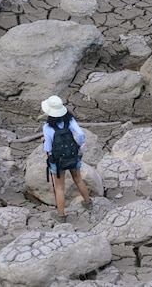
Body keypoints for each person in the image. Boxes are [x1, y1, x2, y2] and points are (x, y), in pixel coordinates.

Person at [41, 95, 93, 223]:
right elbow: (81, 134)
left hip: (58, 161)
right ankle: (88, 203)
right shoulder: (69, 121)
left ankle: (61, 216)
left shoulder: (47, 127)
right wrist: (78, 145)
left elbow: (48, 147)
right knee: (78, 179)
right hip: (72, 155)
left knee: (60, 187)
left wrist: (45, 145)